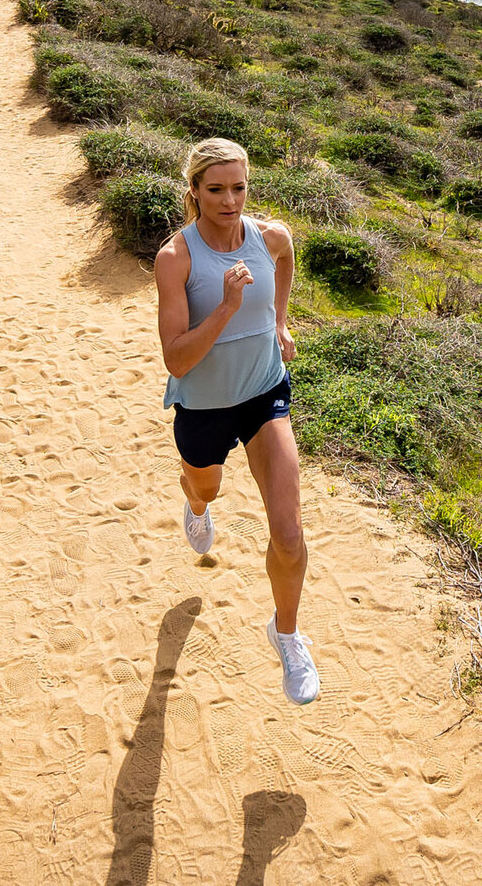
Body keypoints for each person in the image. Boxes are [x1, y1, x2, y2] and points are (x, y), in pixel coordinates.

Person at [152, 137, 317, 704]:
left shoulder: (272, 238)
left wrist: (278, 322)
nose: (229, 200)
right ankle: (195, 504)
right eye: (216, 189)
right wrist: (225, 307)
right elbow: (176, 358)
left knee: (289, 532)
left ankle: (287, 634)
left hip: (264, 395)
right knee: (207, 485)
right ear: (194, 190)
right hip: (202, 405)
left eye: (239, 188)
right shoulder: (178, 258)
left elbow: (285, 265)